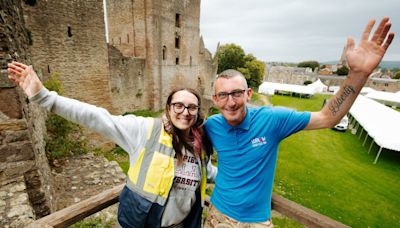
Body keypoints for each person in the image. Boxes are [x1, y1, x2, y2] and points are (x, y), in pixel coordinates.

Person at [203, 17, 394, 227]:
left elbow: (327, 117)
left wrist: (357, 75)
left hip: (256, 222)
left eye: (237, 93)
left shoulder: (272, 120)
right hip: (218, 213)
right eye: (223, 95)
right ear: (215, 99)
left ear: (248, 94)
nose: (230, 102)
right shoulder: (212, 126)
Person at [7, 62, 217, 228]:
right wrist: (45, 97)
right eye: (178, 105)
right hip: (138, 224)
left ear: (198, 111)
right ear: (168, 108)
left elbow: (207, 172)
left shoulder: (200, 144)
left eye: (191, 107)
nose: (185, 111)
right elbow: (96, 117)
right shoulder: (145, 130)